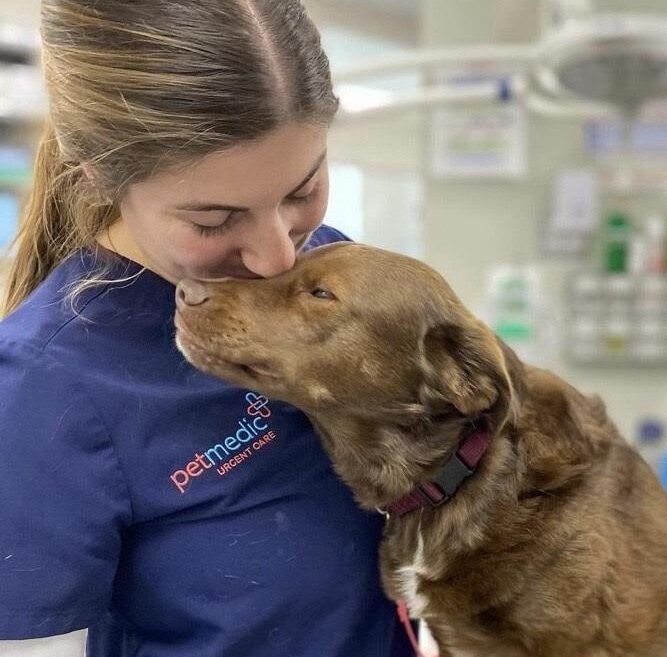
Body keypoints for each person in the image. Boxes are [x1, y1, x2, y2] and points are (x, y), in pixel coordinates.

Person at [0, 2, 414, 656]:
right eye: (216, 220)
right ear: (102, 177)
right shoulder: (44, 390)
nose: (278, 257)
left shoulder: (326, 271)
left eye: (301, 190)